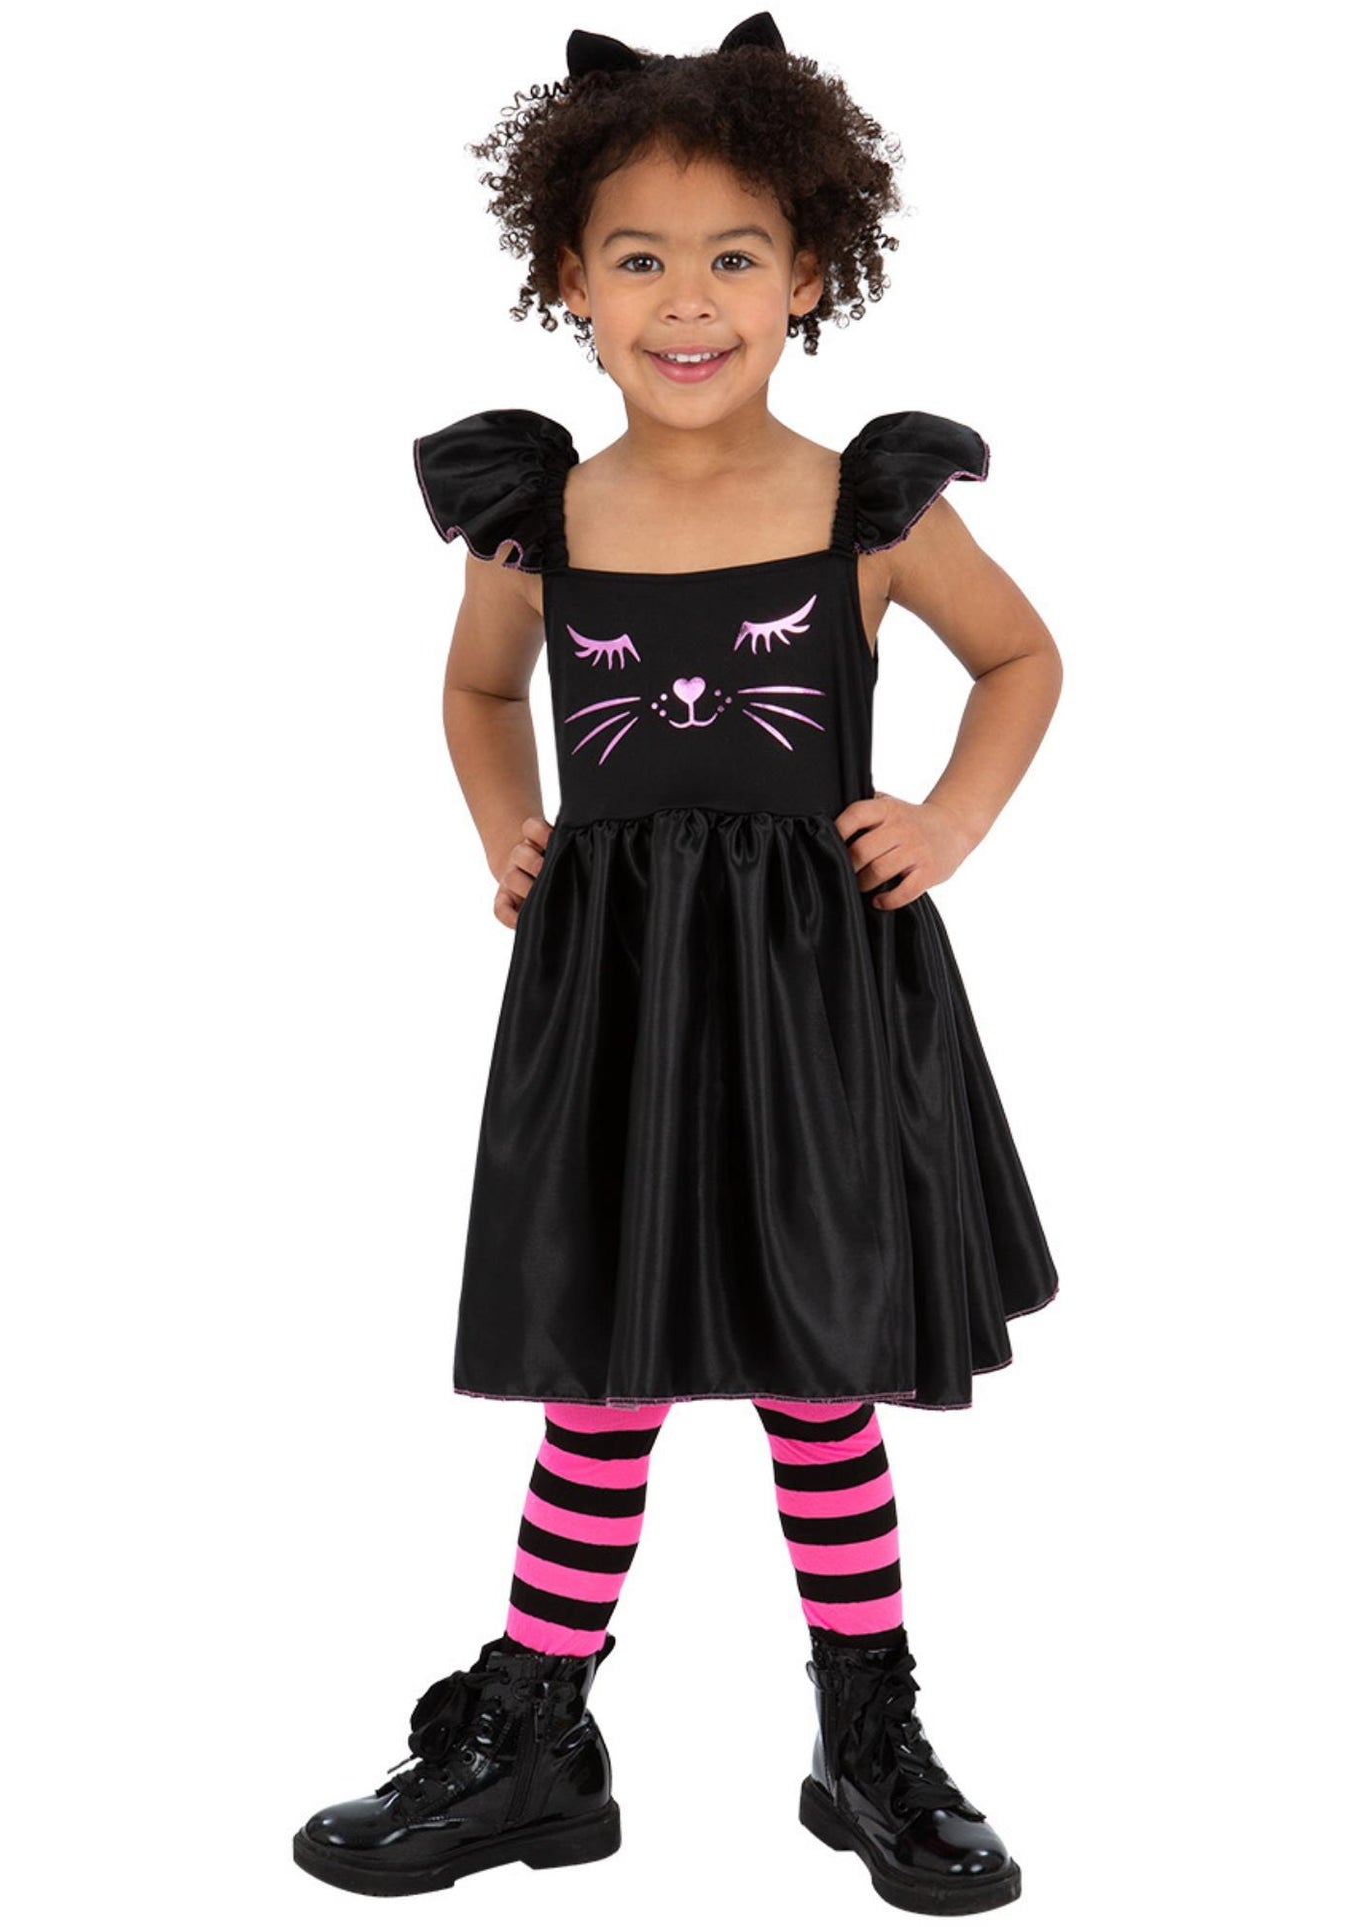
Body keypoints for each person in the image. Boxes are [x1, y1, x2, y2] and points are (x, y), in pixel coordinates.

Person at [293, 13, 1062, 1914]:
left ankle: (863, 1730)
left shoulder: (867, 507)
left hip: (817, 999)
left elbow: (1020, 658)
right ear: (568, 277)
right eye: (638, 258)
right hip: (615, 998)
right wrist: (504, 827)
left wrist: (948, 821)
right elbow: (480, 693)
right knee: (601, 1378)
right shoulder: (538, 518)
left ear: (811, 274)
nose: (687, 299)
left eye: (734, 256)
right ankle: (537, 1734)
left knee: (821, 1375)